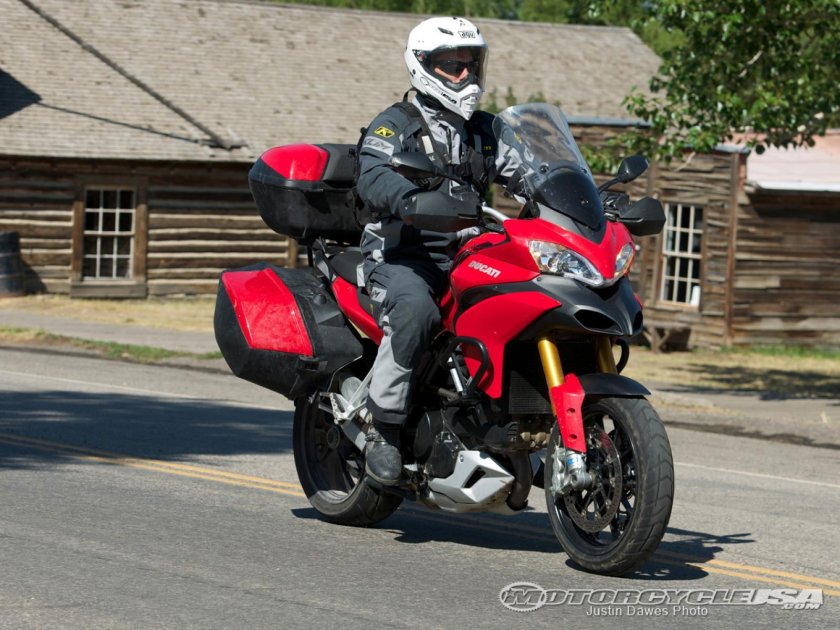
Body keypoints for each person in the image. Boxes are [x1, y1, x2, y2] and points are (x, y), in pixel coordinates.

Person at [355, 16, 518, 485]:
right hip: (405, 252)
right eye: (452, 65)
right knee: (415, 311)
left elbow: (530, 175)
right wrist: (406, 199)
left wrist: (589, 199)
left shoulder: (488, 130)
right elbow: (373, 172)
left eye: (470, 64)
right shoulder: (396, 124)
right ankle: (381, 427)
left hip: (469, 250)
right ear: (423, 66)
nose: (465, 74)